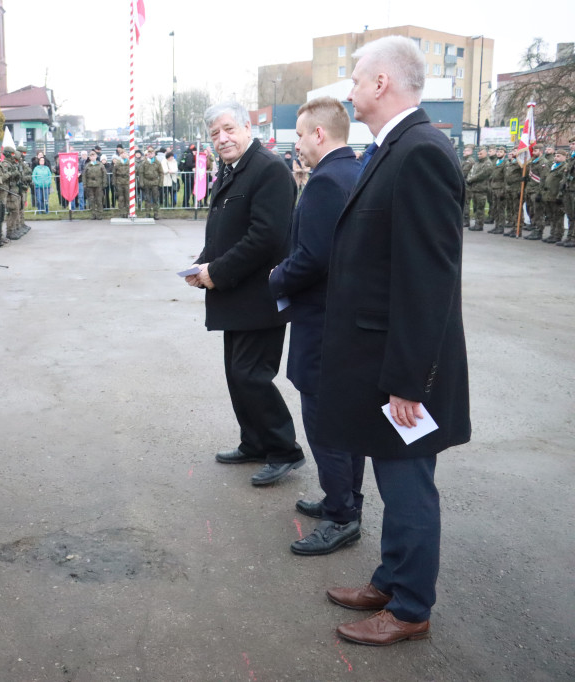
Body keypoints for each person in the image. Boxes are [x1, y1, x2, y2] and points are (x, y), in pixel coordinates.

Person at [321, 35, 470, 646]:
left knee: (408, 482)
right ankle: (391, 577)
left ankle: (409, 608)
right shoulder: (395, 148)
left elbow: (428, 279)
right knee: (392, 475)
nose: (350, 90)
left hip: (406, 372)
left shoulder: (421, 152)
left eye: (356, 78)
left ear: (381, 83)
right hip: (381, 359)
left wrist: (411, 381)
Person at [184, 100, 304, 486]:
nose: (222, 139)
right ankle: (254, 442)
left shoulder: (268, 170)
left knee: (252, 375)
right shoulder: (233, 170)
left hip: (259, 296)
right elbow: (226, 230)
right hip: (235, 295)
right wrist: (202, 263)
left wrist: (216, 272)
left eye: (228, 129)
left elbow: (265, 237)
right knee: (237, 375)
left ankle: (284, 449)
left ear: (247, 127)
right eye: (215, 134)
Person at [268, 97, 362, 556]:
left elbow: (314, 257)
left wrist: (276, 277)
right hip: (344, 323)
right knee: (343, 423)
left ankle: (342, 516)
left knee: (326, 425)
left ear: (319, 134)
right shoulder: (354, 171)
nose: (298, 145)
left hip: (323, 325)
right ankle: (344, 500)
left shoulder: (327, 181)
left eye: (301, 136)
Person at [466, 147, 493, 231]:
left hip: (482, 189)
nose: (479, 155)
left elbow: (482, 175)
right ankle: (477, 223)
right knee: (475, 207)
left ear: (485, 154)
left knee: (480, 208)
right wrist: (469, 178)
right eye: (478, 154)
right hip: (474, 188)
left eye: (481, 154)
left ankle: (479, 225)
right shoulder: (477, 163)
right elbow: (471, 172)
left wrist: (471, 179)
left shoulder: (488, 163)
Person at [82, 150, 107, 219]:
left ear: (96, 156)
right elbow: (84, 175)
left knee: (99, 200)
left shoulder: (100, 165)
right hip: (90, 185)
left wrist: (104, 183)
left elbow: (104, 174)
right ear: (89, 157)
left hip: (98, 184)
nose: (92, 157)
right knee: (91, 200)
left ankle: (100, 214)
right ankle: (93, 214)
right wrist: (84, 184)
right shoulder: (87, 165)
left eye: (94, 156)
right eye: (91, 156)